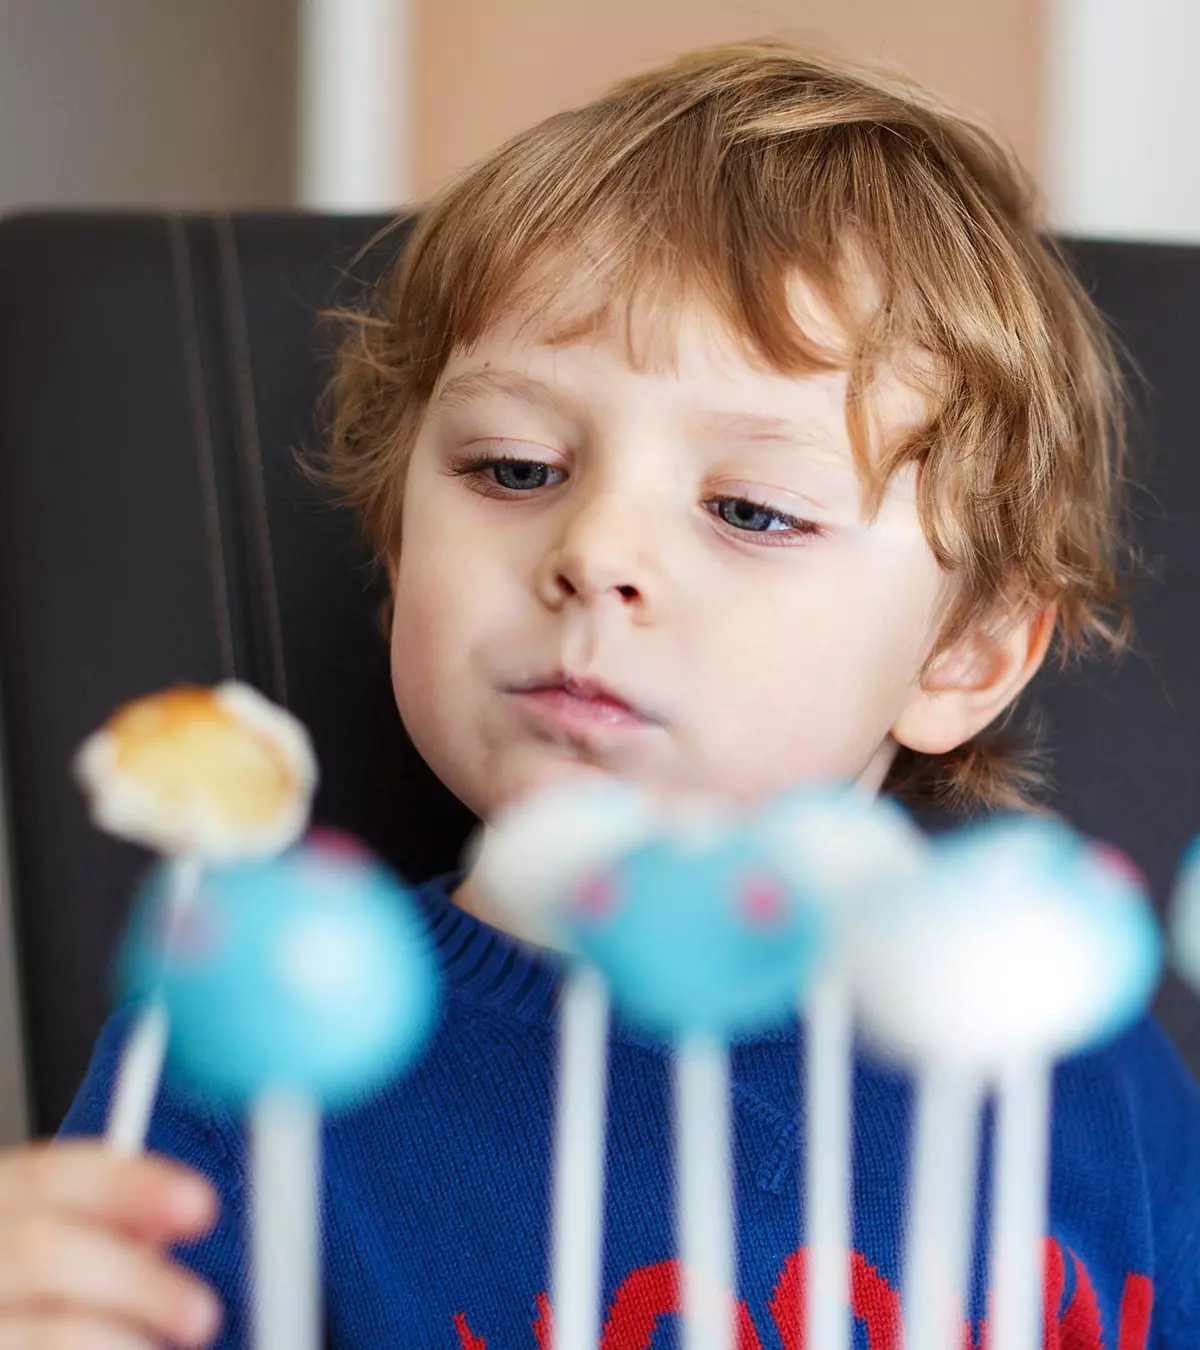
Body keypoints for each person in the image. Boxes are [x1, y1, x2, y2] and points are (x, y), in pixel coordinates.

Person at [1, 40, 1197, 1349]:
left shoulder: (1083, 1069)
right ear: (400, 545)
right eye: (514, 468)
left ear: (964, 650)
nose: (594, 555)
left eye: (751, 508)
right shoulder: (235, 1057)